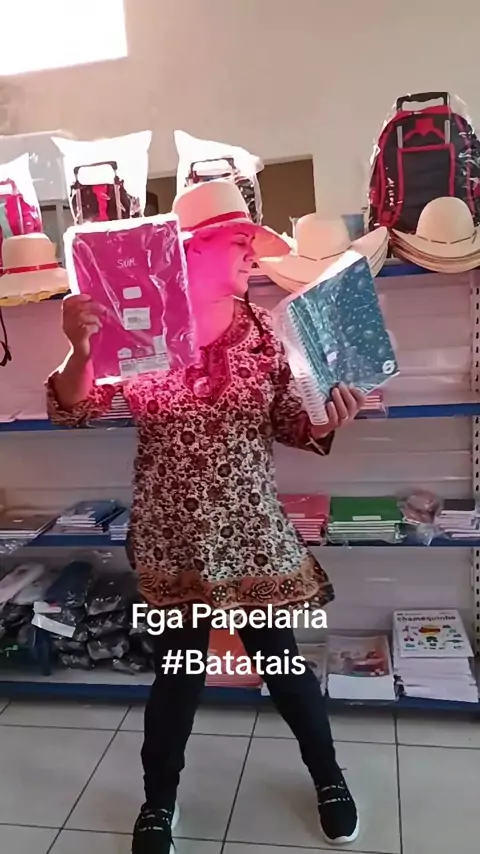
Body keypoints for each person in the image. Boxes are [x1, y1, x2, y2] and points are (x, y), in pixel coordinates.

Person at [46, 180, 365, 854]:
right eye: (237, 241)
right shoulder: (136, 325)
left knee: (282, 664)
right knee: (179, 671)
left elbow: (290, 421)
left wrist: (325, 419)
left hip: (252, 532)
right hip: (173, 538)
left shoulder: (266, 333)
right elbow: (74, 409)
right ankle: (159, 801)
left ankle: (329, 777)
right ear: (188, 252)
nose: (252, 253)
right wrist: (79, 350)